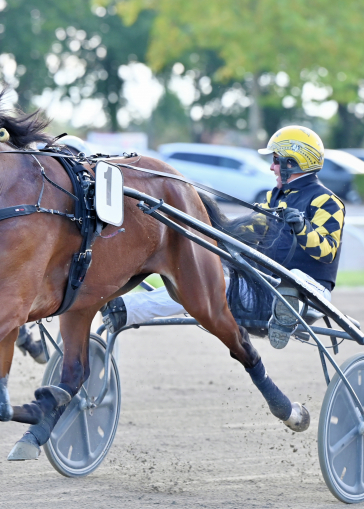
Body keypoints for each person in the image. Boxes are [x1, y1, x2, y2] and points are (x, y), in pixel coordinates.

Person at [101, 125, 346, 350]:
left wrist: (303, 227)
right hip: (266, 287)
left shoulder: (326, 201)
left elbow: (326, 252)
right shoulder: (275, 198)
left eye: (276, 161)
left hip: (312, 292)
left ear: (294, 162)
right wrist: (201, 224)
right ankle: (125, 309)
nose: (272, 167)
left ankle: (287, 311)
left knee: (295, 282)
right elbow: (249, 231)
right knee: (203, 284)